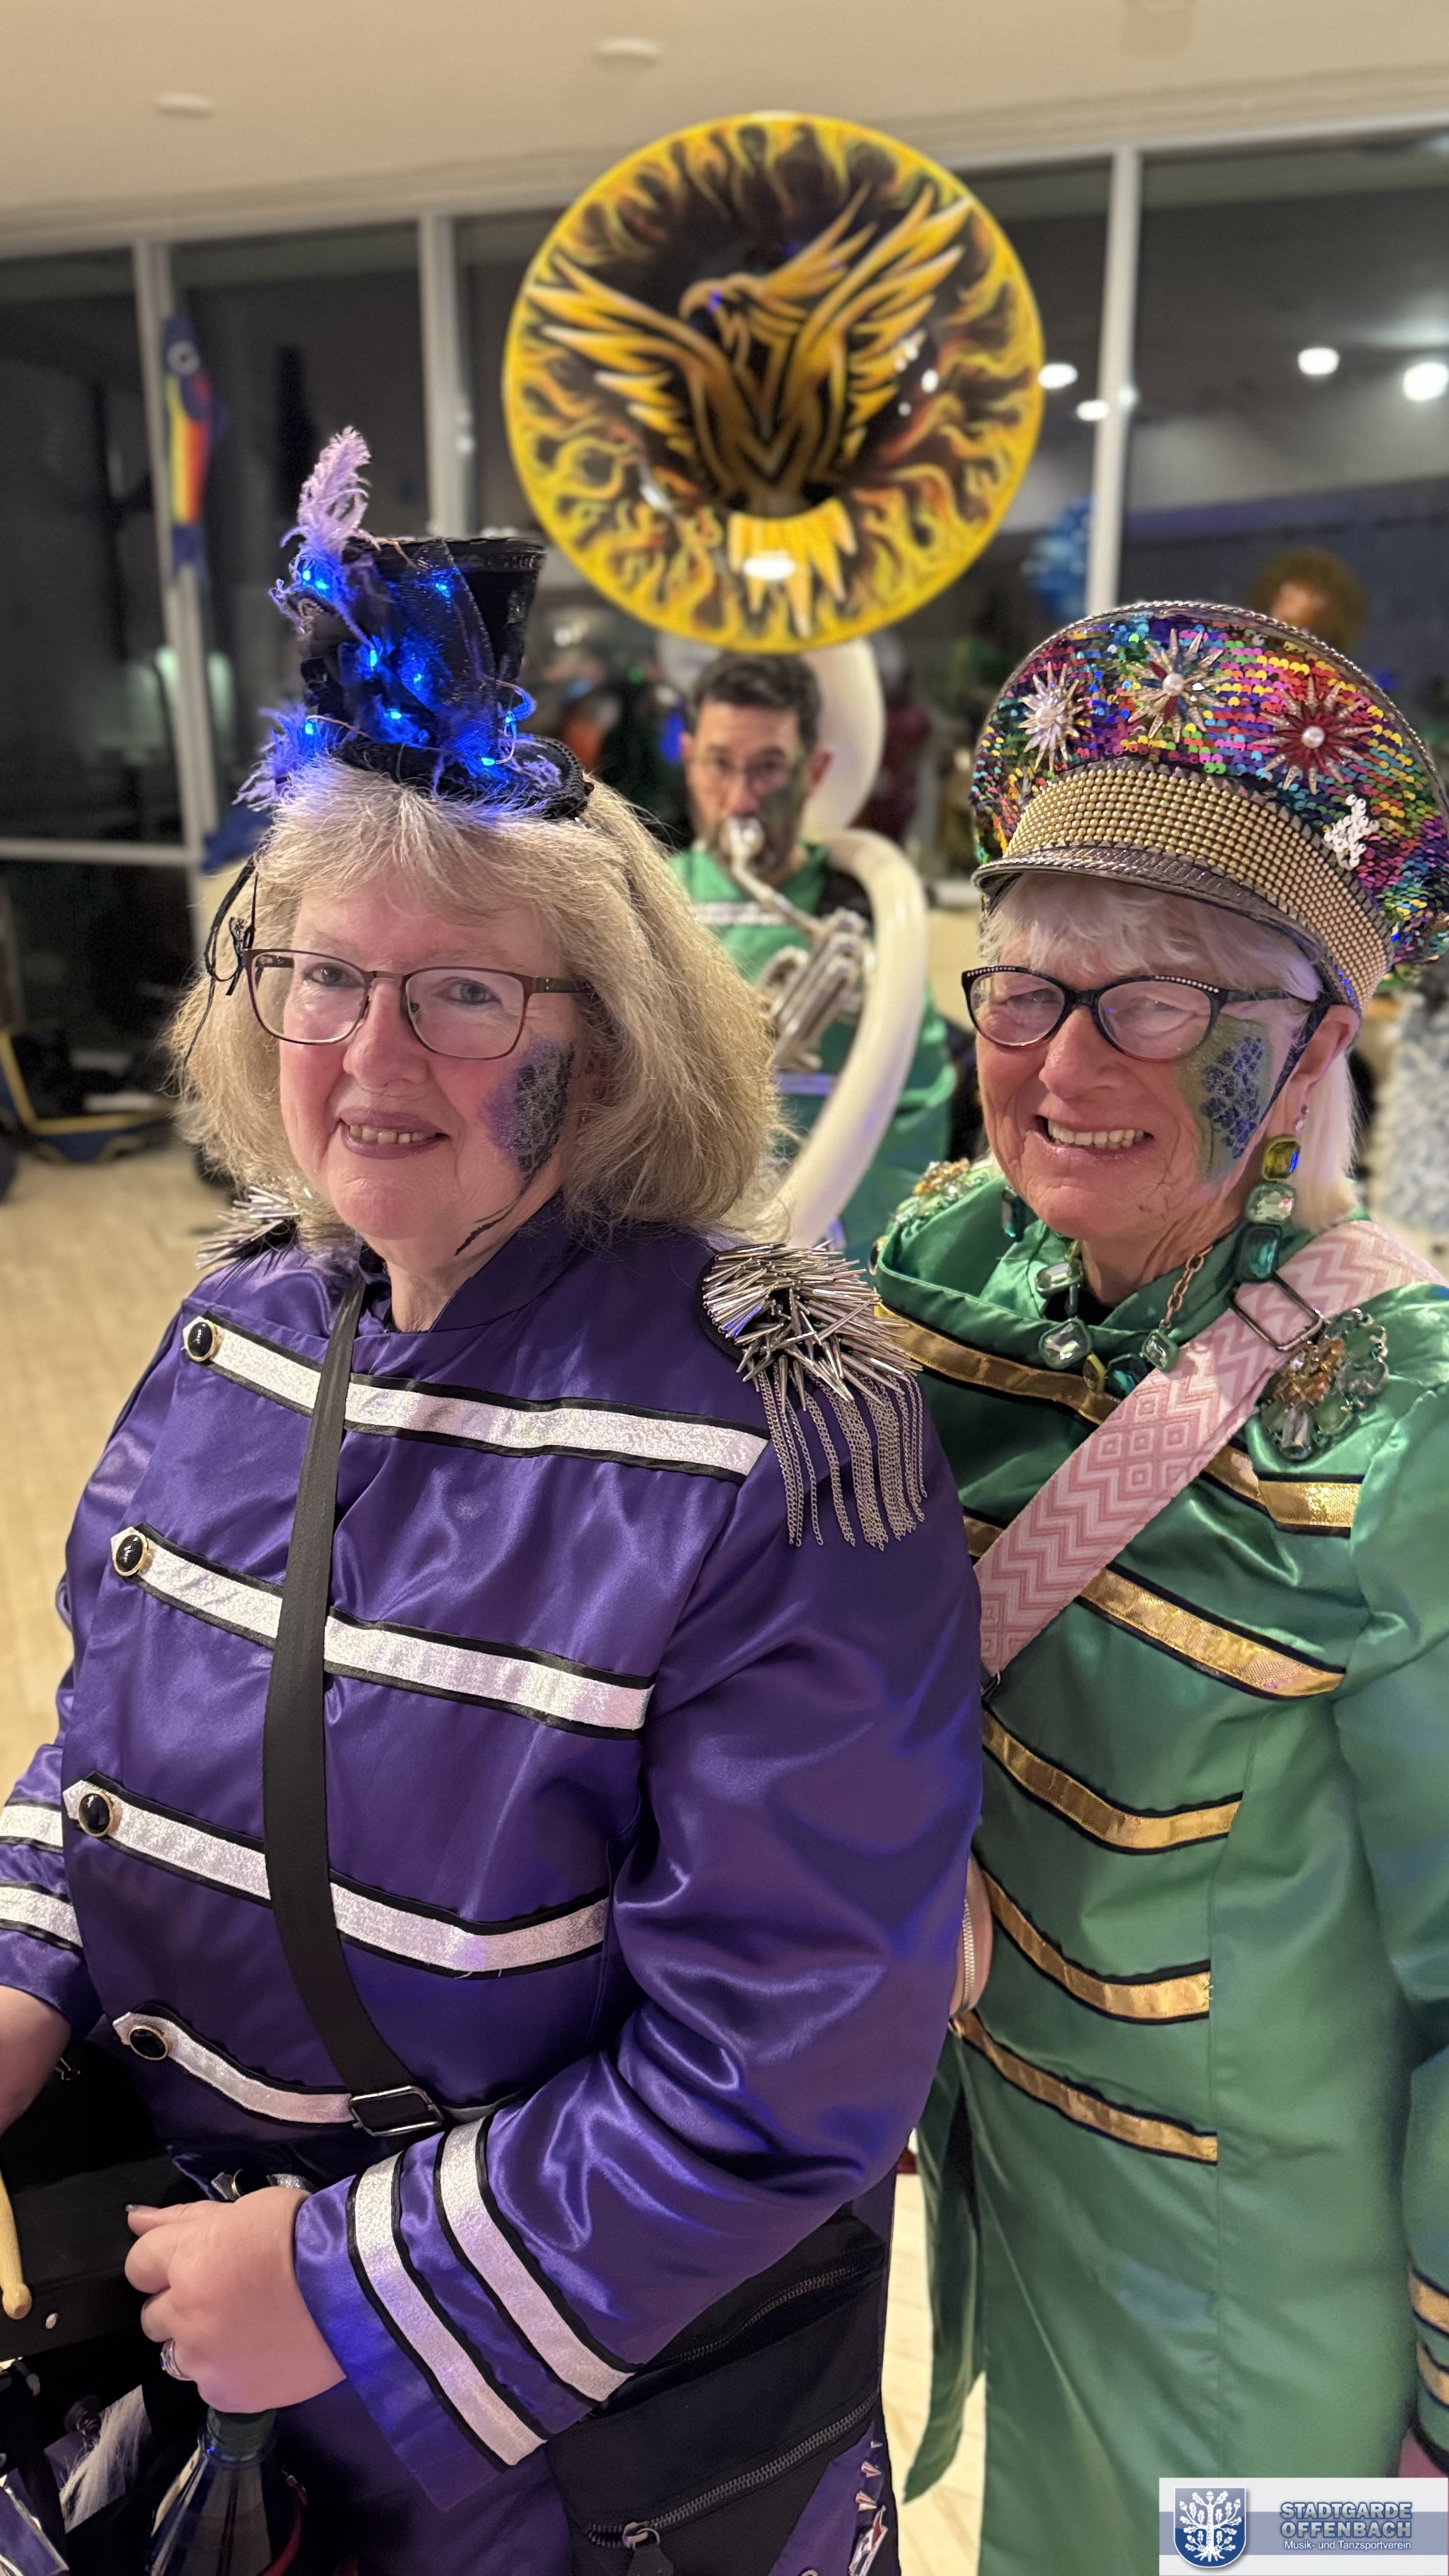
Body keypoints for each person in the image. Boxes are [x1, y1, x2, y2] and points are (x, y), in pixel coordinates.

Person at [0, 434, 981, 2576]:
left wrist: (346, 2286)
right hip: (193, 2325)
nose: (369, 1058)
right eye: (321, 976)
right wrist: (24, 1959)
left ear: (602, 1044)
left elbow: (793, 2058)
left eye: (460, 995)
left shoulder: (781, 1436)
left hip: (571, 2443)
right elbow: (109, 1757)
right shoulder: (238, 1327)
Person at [873, 601, 1449, 2573]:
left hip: (1267, 2299)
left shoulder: (1409, 1430)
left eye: (1162, 1003)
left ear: (1309, 1054)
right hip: (1000, 2187)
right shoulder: (950, 1263)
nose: (1065, 1063)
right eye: (1026, 990)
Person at [671, 654, 955, 1266]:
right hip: (677, 1254)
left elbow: (913, 1109)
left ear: (814, 771)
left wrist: (825, 1236)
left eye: (769, 768)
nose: (741, 799)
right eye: (719, 764)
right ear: (689, 759)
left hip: (828, 1256)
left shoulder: (863, 914)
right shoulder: (650, 902)